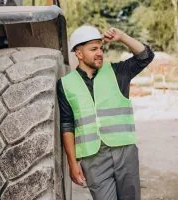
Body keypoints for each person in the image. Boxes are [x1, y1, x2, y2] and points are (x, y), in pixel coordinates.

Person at [57, 25, 154, 200]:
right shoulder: (65, 84)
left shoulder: (118, 72)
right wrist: (72, 164)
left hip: (124, 151)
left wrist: (122, 36)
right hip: (93, 158)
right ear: (78, 53)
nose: (99, 52)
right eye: (93, 49)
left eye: (101, 48)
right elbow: (67, 125)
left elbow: (145, 56)